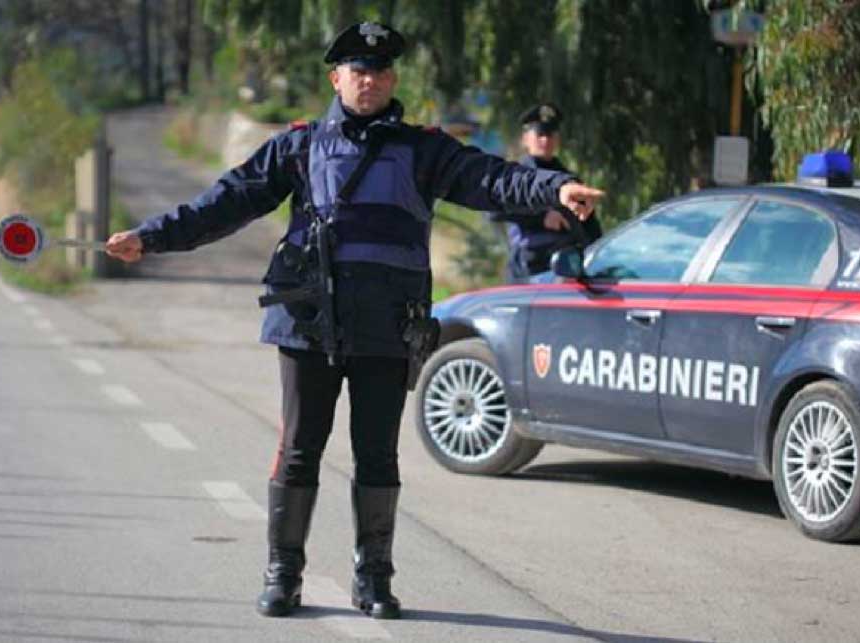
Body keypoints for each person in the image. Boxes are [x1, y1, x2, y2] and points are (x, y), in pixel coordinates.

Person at [105, 22, 603, 621]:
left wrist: (557, 188)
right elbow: (228, 200)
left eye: (381, 71)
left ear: (392, 79)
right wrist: (152, 237)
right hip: (309, 324)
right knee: (298, 452)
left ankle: (374, 579)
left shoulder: (425, 151)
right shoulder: (300, 145)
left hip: (386, 328)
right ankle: (283, 574)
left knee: (377, 457)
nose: (370, 80)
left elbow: (495, 177)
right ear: (335, 77)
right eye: (358, 70)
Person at [489, 103, 603, 282]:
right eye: (540, 134)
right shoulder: (516, 175)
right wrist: (542, 218)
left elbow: (590, 225)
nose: (545, 141)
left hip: (568, 265)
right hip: (530, 266)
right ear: (526, 138)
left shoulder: (569, 179)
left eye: (550, 135)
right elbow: (495, 210)